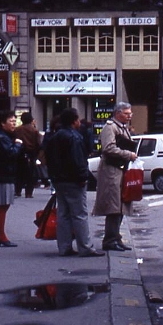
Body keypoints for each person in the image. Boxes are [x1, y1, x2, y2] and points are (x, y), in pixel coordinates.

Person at [44, 108, 105, 257]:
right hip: (73, 180)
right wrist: (82, 178)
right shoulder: (74, 137)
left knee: (63, 213)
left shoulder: (55, 136)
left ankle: (64, 247)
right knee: (79, 214)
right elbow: (78, 161)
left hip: (58, 179)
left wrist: (53, 177)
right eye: (78, 119)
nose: (79, 122)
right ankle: (85, 247)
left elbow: (49, 158)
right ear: (74, 121)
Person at [92, 102, 138, 251]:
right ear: (118, 113)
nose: (129, 116)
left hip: (120, 169)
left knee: (120, 205)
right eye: (126, 113)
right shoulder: (110, 127)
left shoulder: (122, 127)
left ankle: (115, 238)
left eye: (130, 113)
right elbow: (108, 148)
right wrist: (128, 154)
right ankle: (110, 239)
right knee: (114, 206)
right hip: (111, 170)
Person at [0, 110, 24, 247]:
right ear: (2, 123)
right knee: (3, 205)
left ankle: (1, 236)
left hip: (5, 174)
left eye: (15, 121)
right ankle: (1, 236)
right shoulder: (2, 138)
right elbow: (11, 153)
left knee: (5, 205)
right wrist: (18, 144)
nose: (13, 124)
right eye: (11, 121)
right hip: (3, 175)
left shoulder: (5, 136)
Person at [13, 112, 41, 198]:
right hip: (31, 153)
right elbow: (38, 144)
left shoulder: (17, 129)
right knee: (30, 174)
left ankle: (17, 191)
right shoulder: (34, 130)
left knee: (19, 173)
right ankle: (29, 193)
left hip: (19, 153)